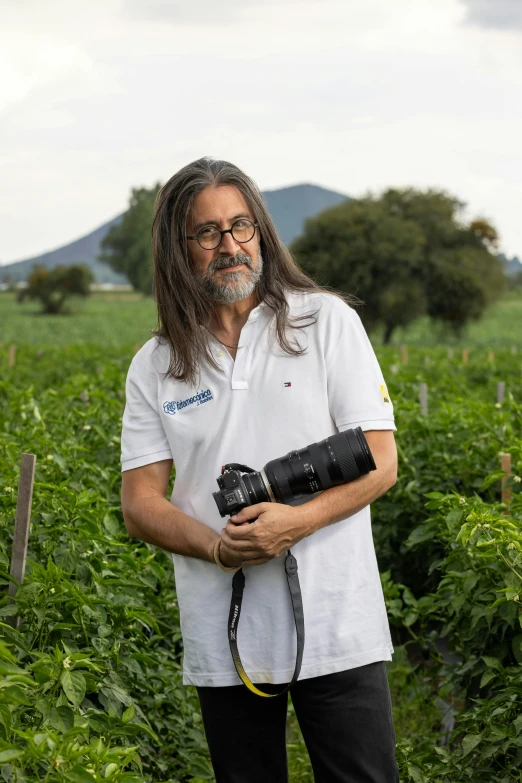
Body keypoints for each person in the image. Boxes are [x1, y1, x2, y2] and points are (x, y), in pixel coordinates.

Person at [120, 157, 399, 783]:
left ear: (262, 232)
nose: (230, 246)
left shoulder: (325, 321)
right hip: (225, 635)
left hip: (339, 619)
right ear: (177, 248)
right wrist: (222, 550)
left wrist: (291, 526)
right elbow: (140, 502)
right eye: (207, 233)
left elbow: (382, 463)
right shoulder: (155, 363)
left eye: (241, 226)